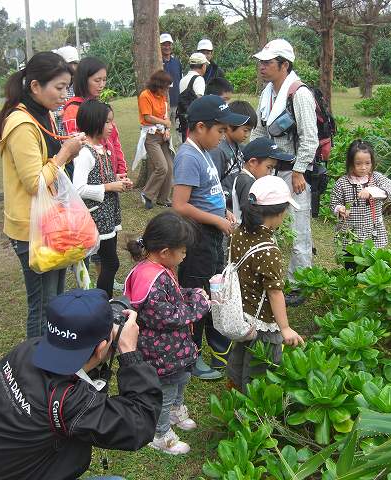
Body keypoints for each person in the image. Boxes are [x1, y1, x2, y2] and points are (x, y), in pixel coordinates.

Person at [0, 288, 162, 480]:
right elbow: (139, 424)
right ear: (101, 347)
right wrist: (129, 353)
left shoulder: (27, 350)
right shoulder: (67, 400)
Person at [0, 51, 85, 339]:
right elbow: (35, 182)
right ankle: (35, 367)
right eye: (59, 87)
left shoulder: (42, 114)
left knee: (55, 299)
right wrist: (64, 154)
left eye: (67, 87)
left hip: (49, 222)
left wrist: (67, 152)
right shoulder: (21, 124)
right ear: (35, 86)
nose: (64, 94)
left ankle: (48, 361)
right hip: (31, 230)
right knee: (43, 304)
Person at [172, 95, 249, 380]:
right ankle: (190, 356)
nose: (222, 136)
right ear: (200, 127)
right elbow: (180, 205)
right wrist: (216, 219)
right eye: (219, 130)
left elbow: (209, 193)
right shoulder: (188, 155)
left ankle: (218, 347)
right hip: (197, 239)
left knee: (214, 291)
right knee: (196, 296)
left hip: (213, 235)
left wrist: (225, 211)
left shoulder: (203, 151)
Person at [124, 211, 209, 455]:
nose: (184, 255)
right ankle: (160, 433)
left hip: (174, 350)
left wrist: (192, 293)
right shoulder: (150, 279)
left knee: (181, 379)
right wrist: (199, 306)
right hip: (161, 352)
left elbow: (174, 296)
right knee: (166, 391)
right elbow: (167, 317)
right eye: (182, 251)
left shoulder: (160, 268)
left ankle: (174, 412)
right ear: (165, 251)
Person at [250, 39, 319, 307]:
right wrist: (254, 162)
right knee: (270, 224)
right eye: (261, 62)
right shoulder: (267, 93)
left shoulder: (299, 94)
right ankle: (271, 274)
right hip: (270, 172)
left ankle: (300, 282)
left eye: (267, 62)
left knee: (299, 229)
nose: (262, 66)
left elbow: (309, 137)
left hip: (293, 173)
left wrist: (300, 170)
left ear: (284, 65)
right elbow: (259, 130)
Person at [228, 176, 305, 391]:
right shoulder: (269, 251)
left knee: (241, 351)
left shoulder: (238, 232)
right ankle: (252, 408)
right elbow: (275, 293)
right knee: (261, 367)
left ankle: (233, 391)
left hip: (242, 311)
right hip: (263, 318)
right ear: (279, 214)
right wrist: (285, 328)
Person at [72, 100, 132, 297]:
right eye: (107, 122)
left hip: (108, 215)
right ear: (94, 122)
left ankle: (102, 302)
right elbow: (78, 188)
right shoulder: (85, 153)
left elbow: (100, 176)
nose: (111, 127)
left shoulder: (101, 148)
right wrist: (109, 186)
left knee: (110, 262)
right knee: (111, 262)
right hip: (98, 218)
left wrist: (117, 179)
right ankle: (102, 303)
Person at [330, 139, 391, 269]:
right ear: (350, 163)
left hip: (373, 232)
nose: (363, 167)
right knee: (351, 265)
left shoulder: (376, 178)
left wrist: (371, 190)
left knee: (372, 266)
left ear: (372, 163)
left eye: (367, 163)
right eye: (358, 163)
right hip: (350, 233)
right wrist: (340, 209)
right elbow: (334, 203)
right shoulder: (342, 183)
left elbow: (390, 189)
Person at [62, 57, 128, 181]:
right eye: (97, 80)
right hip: (91, 178)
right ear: (84, 80)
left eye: (104, 80)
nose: (102, 85)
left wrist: (121, 170)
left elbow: (114, 139)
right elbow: (77, 147)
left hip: (111, 174)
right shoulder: (73, 110)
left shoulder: (101, 107)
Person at [209, 100, 257, 213]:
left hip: (234, 204)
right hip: (222, 208)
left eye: (250, 131)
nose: (247, 135)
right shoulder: (218, 150)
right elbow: (212, 184)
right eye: (245, 130)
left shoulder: (238, 146)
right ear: (230, 126)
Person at [232, 137, 294, 224]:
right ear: (253, 162)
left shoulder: (247, 178)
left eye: (272, 169)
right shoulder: (248, 182)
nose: (269, 173)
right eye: (269, 167)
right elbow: (250, 214)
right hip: (248, 233)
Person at [137, 70, 174, 210]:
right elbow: (147, 117)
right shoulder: (145, 96)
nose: (166, 91)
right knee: (161, 167)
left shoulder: (162, 97)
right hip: (151, 137)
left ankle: (163, 199)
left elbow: (166, 116)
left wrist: (167, 129)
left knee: (170, 168)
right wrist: (165, 124)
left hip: (162, 136)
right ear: (157, 85)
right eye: (165, 88)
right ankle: (147, 194)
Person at [177, 53, 210, 143]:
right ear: (203, 66)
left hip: (183, 117)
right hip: (195, 118)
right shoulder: (199, 79)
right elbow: (199, 100)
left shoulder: (183, 79)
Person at [160, 33, 183, 148]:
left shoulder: (177, 62)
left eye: (169, 44)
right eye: (164, 44)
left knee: (180, 129)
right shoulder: (157, 62)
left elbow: (180, 79)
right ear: (159, 46)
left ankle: (181, 153)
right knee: (165, 131)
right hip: (163, 104)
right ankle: (168, 154)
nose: (167, 47)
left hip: (177, 102)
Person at [53, 45, 80, 136]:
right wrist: (59, 113)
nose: (72, 67)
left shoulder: (77, 86)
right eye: (69, 64)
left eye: (75, 63)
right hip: (57, 136)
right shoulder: (52, 88)